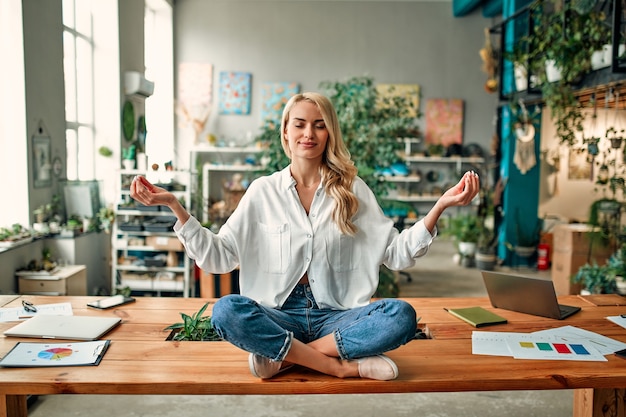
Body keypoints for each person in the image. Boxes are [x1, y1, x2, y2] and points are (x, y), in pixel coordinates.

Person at [130, 92, 480, 381]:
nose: (308, 133)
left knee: (400, 316)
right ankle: (339, 367)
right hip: (278, 313)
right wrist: (176, 206)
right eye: (299, 124)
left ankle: (286, 356)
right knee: (226, 311)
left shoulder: (353, 190)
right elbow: (220, 257)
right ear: (285, 133)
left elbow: (396, 253)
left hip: (337, 315)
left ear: (330, 134)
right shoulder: (261, 191)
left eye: (319, 125)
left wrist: (440, 206)